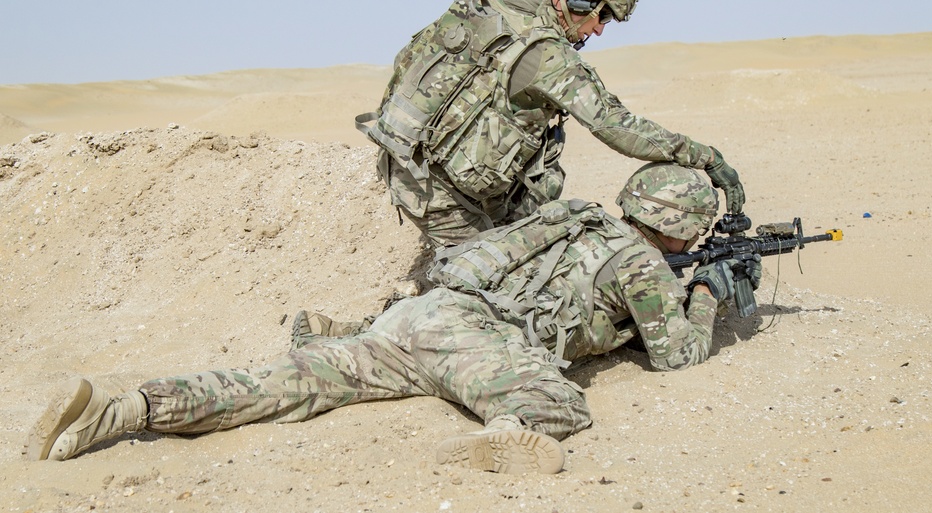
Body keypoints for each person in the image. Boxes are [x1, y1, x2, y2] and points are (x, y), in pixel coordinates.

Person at [28, 163, 760, 473]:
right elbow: (678, 356)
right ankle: (502, 435)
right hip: (479, 341)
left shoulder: (577, 219)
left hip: (423, 315)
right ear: (682, 229)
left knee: (284, 385)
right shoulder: (639, 264)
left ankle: (123, 408)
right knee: (559, 404)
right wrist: (709, 293)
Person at [356, 0, 746, 247]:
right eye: (598, 14)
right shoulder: (547, 54)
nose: (597, 30)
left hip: (412, 163)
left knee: (547, 197)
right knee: (491, 302)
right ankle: (350, 338)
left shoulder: (495, 5)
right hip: (436, 193)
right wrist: (705, 157)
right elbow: (615, 125)